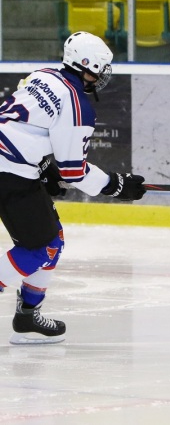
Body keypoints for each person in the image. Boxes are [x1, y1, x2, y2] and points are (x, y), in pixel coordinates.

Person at [0, 31, 146, 344]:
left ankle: (28, 316)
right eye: (101, 69)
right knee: (42, 247)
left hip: (13, 168)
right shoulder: (78, 105)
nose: (104, 76)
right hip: (9, 174)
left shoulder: (43, 75)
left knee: (54, 238)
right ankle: (27, 315)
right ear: (86, 65)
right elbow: (75, 171)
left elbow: (24, 126)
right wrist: (116, 186)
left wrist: (44, 167)